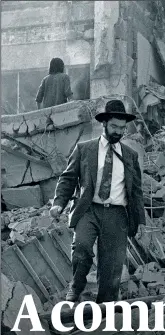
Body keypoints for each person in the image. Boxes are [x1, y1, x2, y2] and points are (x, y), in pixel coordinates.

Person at [49, 100, 146, 303]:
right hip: (89, 209)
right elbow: (68, 178)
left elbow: (136, 191)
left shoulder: (130, 156)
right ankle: (76, 287)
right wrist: (59, 203)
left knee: (111, 266)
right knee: (82, 249)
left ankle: (105, 307)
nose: (118, 132)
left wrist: (141, 221)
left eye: (122, 128)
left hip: (117, 215)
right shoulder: (85, 149)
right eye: (114, 127)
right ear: (104, 124)